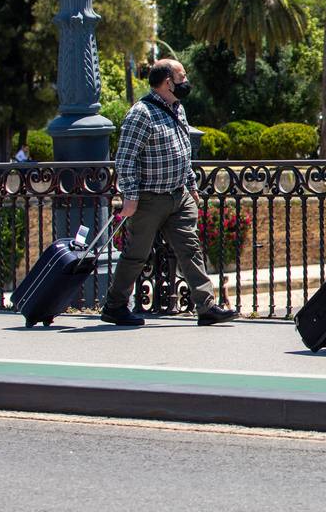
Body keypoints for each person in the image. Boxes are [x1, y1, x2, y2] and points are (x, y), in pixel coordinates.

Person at [102, 59, 238, 327]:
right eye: (182, 76)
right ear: (167, 82)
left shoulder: (178, 109)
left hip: (178, 195)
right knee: (137, 254)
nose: (185, 82)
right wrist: (130, 195)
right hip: (149, 198)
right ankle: (115, 306)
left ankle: (206, 305)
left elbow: (183, 150)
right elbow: (126, 157)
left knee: (190, 249)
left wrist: (191, 185)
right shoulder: (141, 113)